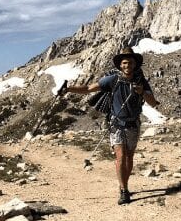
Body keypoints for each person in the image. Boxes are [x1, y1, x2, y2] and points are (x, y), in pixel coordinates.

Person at [64, 46, 160, 205]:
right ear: (120, 65)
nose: (127, 65)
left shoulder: (141, 82)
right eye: (124, 63)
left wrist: (142, 92)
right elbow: (88, 88)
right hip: (116, 124)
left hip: (133, 124)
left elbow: (153, 103)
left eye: (129, 62)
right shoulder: (112, 79)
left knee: (129, 157)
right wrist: (68, 89)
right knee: (121, 156)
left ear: (135, 64)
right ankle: (123, 190)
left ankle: (125, 185)